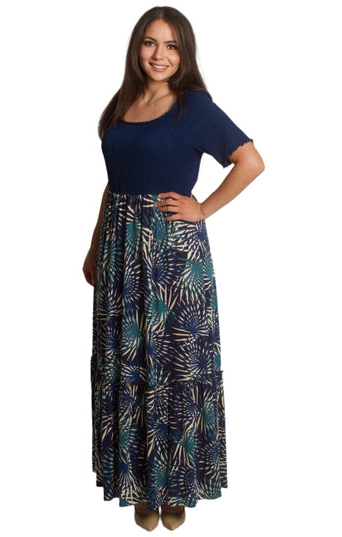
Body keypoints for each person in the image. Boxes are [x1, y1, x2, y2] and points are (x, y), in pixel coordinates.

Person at [82, 5, 265, 532]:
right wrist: (94, 247)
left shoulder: (194, 107)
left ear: (184, 54)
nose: (159, 55)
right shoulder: (121, 104)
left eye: (171, 46)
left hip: (172, 257)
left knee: (175, 368)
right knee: (129, 365)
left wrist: (202, 207)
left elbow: (251, 161)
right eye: (149, 42)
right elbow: (115, 183)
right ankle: (141, 485)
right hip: (120, 253)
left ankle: (177, 485)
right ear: (136, 47)